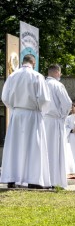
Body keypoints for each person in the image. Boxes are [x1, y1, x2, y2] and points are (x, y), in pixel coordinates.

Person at [1, 54, 51, 189]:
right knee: (34, 146)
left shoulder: (12, 76)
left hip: (17, 114)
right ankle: (33, 180)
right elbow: (45, 99)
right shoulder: (37, 76)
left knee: (15, 146)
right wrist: (41, 111)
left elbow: (4, 97)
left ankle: (11, 178)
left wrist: (14, 108)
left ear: (23, 62)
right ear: (33, 63)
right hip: (32, 114)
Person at [43, 64, 72, 188]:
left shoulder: (41, 84)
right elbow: (67, 103)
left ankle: (43, 180)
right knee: (55, 151)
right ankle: (55, 181)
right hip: (55, 121)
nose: (60, 75)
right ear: (56, 72)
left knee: (43, 151)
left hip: (42, 121)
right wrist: (63, 116)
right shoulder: (58, 85)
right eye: (60, 73)